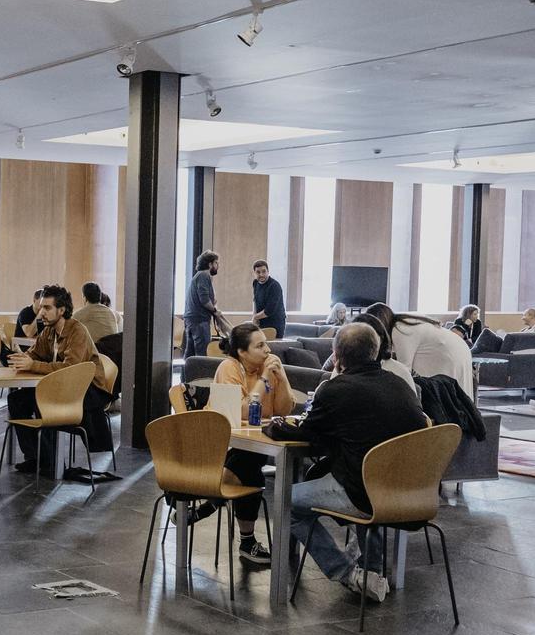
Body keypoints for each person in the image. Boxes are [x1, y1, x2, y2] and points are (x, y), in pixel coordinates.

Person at [267, 323, 428, 602]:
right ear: (376, 352)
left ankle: (346, 572)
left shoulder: (336, 389)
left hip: (362, 493)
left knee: (285, 500)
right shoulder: (400, 385)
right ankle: (372, 574)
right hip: (411, 493)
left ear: (336, 355)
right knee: (366, 477)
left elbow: (308, 435)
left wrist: (275, 427)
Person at [185, 323, 290, 563]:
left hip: (250, 445)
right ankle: (246, 541)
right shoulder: (229, 367)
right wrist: (264, 379)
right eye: (260, 345)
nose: (267, 350)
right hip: (219, 442)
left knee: (251, 461)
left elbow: (285, 409)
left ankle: (213, 502)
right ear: (242, 352)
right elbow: (242, 410)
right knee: (252, 464)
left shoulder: (271, 367)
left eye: (267, 344)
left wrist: (281, 379)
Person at [7, 285, 115, 477]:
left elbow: (70, 369)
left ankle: (51, 463)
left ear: (62, 310)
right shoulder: (48, 332)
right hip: (60, 386)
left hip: (86, 390)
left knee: (44, 400)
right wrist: (20, 359)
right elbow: (34, 354)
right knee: (16, 399)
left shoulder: (77, 331)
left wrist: (33, 365)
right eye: (41, 308)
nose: (41, 314)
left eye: (47, 308)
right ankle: (35, 457)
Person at [364, 303, 473, 397]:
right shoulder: (404, 322)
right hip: (457, 349)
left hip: (451, 354)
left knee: (447, 396)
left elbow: (403, 370)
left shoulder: (400, 330)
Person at [350, 312, 416, 396]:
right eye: (359, 339)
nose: (366, 343)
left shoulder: (399, 372)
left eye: (371, 337)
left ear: (382, 339)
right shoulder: (343, 369)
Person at [183, 251, 224, 358]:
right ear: (210, 264)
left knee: (190, 353)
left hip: (191, 319)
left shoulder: (198, 276)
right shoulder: (204, 276)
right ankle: (201, 374)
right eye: (216, 263)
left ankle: (186, 375)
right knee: (203, 353)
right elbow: (204, 299)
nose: (217, 265)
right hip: (199, 320)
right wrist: (215, 311)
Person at [251, 260, 286, 339]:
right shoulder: (255, 283)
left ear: (268, 271)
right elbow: (255, 300)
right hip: (262, 321)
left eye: (264, 271)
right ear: (254, 273)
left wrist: (255, 317)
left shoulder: (274, 286)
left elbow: (269, 310)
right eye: (258, 272)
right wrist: (254, 316)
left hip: (275, 324)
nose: (261, 274)